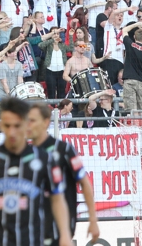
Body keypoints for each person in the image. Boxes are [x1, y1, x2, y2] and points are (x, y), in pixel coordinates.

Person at [0, 96, 73, 246]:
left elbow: (57, 198)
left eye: (17, 126)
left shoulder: (45, 159)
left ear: (25, 125)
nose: (12, 131)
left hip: (32, 240)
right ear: (0, 125)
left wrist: (65, 234)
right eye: (7, 126)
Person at [27, 103, 101, 244]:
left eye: (33, 120)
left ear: (45, 122)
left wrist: (93, 219)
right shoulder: (25, 153)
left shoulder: (64, 150)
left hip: (62, 222)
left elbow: (85, 184)